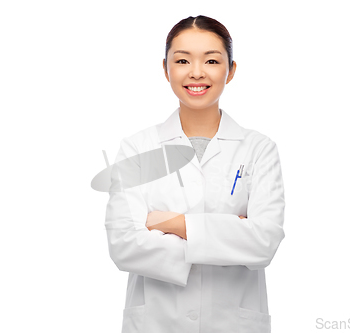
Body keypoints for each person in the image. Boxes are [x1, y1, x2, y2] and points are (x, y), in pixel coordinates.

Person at [105, 15, 285, 333]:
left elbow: (264, 242)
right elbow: (124, 245)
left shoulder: (258, 149)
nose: (197, 73)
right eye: (183, 60)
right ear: (166, 69)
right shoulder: (137, 148)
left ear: (230, 71)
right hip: (157, 323)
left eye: (212, 60)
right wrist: (230, 233)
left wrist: (171, 223)